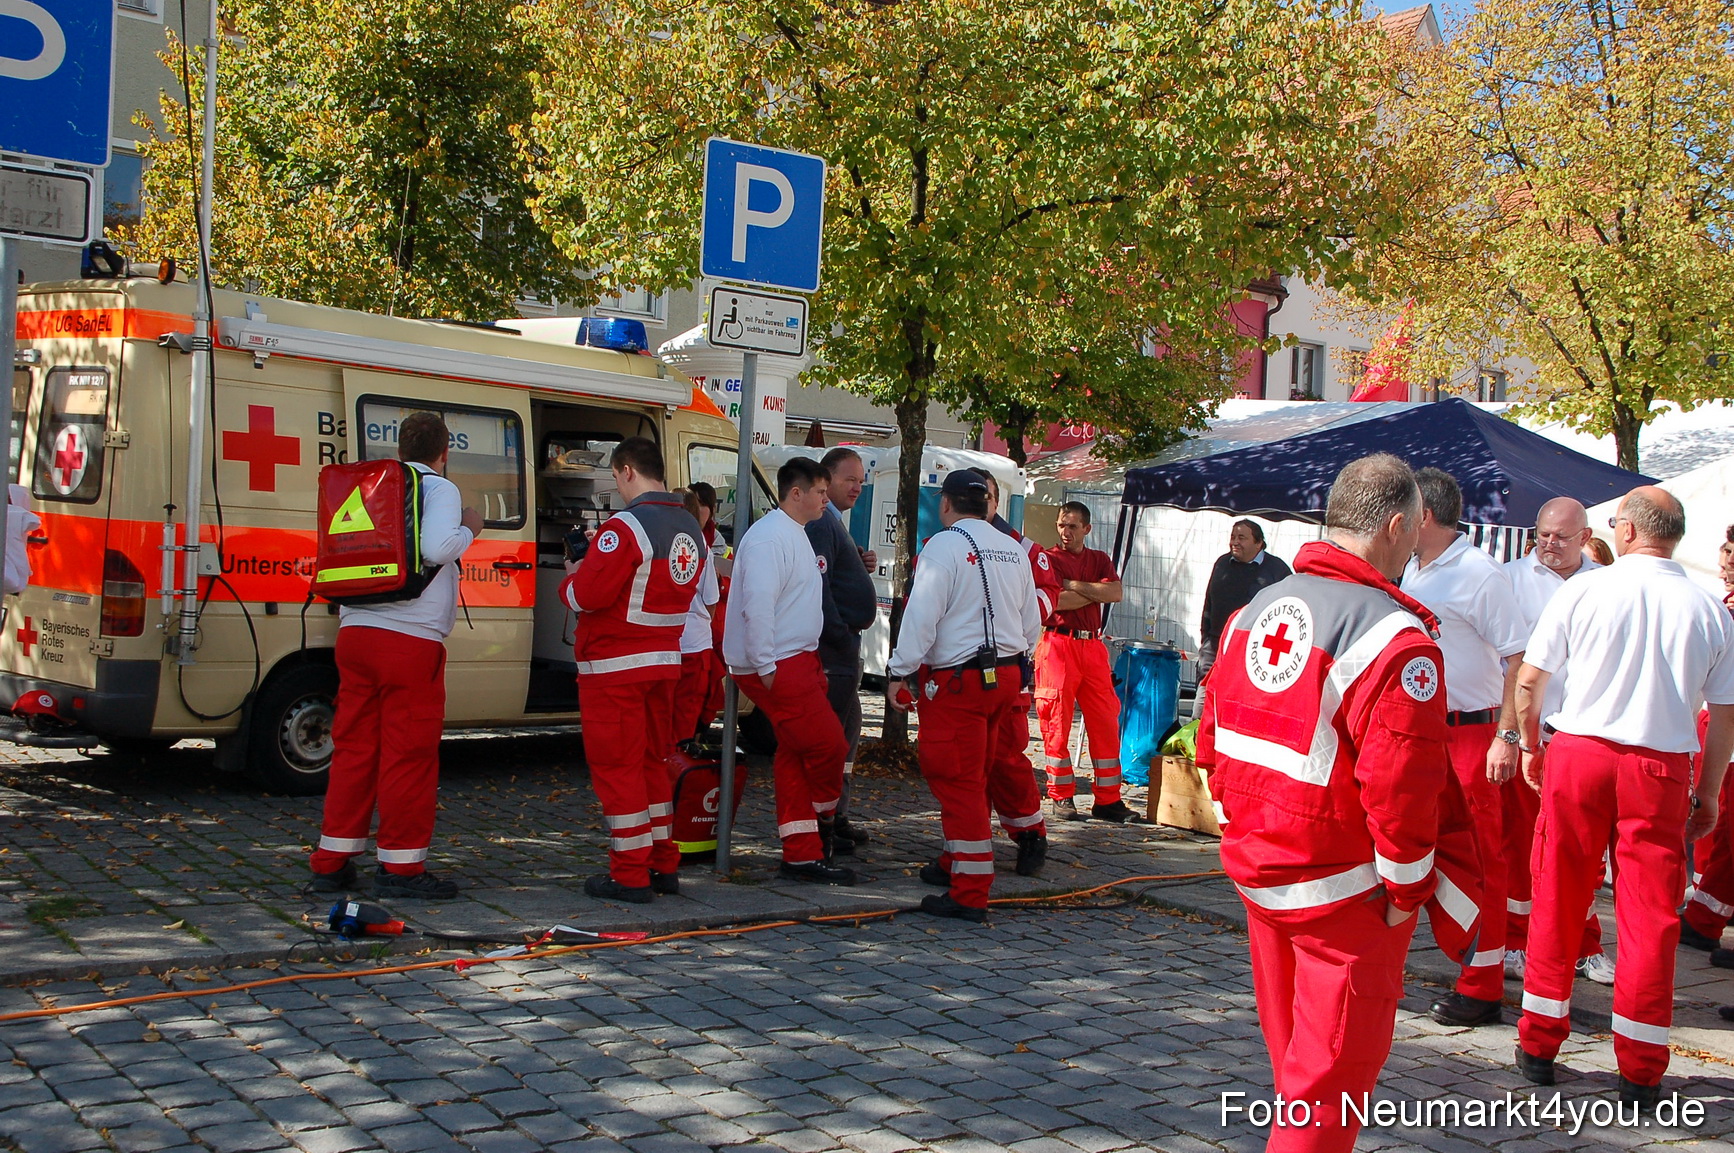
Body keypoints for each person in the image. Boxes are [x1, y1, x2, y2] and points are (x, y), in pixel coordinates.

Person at [1198, 453, 1481, 1153]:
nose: (1416, 545)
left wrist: (1239, 828)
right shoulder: (1395, 637)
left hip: (1264, 876)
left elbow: (1212, 740)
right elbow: (1403, 789)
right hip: (1347, 896)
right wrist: (1406, 891)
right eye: (1415, 532)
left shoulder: (1252, 612)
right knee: (1326, 1092)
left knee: (1297, 1068)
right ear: (1394, 526)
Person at [1513, 487, 1734, 1108]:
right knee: (1650, 914)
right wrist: (1708, 791)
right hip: (1659, 763)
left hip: (1580, 752)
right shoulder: (1708, 608)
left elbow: (1531, 680)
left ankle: (1538, 1043)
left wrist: (1530, 743)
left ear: (1630, 531)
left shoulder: (1584, 588)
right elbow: (1723, 714)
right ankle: (1639, 1067)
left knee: (1557, 892)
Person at [310, 411, 482, 899]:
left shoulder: (372, 486)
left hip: (356, 632)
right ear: (443, 452)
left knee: (354, 750)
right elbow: (438, 545)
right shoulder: (439, 489)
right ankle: (402, 868)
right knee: (409, 755)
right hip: (410, 641)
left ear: (400, 447)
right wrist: (472, 527)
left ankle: (331, 862)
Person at [1400, 469, 1530, 1026]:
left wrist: (1507, 735)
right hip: (1424, 730)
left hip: (1471, 734)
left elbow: (1519, 661)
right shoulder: (1410, 566)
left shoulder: (1481, 575)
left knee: (1482, 858)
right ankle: (1449, 953)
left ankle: (1482, 986)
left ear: (1423, 515)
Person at [887, 470, 1044, 921]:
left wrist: (898, 672)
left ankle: (970, 889)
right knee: (978, 772)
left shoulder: (944, 546)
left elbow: (921, 617)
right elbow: (1030, 621)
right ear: (986, 505)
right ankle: (955, 861)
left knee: (959, 781)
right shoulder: (1013, 548)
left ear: (946, 504)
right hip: (1005, 678)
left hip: (959, 683)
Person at [562, 437, 707, 904]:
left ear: (626, 471)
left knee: (617, 770)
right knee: (651, 765)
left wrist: (572, 571)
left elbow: (587, 595)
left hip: (614, 668)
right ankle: (663, 862)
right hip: (664, 663)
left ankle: (628, 873)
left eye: (616, 477)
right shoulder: (691, 525)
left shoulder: (626, 527)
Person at [724, 457, 854, 885]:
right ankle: (824, 822)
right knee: (828, 745)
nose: (825, 499)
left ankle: (801, 852)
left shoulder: (793, 533)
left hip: (795, 657)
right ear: (795, 493)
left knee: (796, 754)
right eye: (820, 492)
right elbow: (757, 603)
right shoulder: (770, 539)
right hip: (779, 661)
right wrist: (765, 666)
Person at [1501, 498, 1612, 985]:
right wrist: (1509, 733)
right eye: (1543, 533)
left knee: (1580, 853)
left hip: (1581, 733)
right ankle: (1517, 939)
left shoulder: (1606, 584)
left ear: (1585, 537)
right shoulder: (1509, 580)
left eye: (1561, 537)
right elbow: (1507, 665)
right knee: (1522, 846)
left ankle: (1584, 943)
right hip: (1529, 729)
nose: (1549, 543)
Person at [1035, 502, 1135, 822]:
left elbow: (1115, 593)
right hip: (1058, 643)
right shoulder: (1048, 559)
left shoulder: (1099, 559)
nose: (1066, 531)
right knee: (1057, 721)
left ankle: (1108, 800)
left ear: (1086, 529)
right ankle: (1061, 795)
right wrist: (1096, 592)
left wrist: (1074, 586)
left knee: (1105, 721)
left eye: (1073, 526)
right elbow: (1056, 601)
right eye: (1062, 525)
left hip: (1091, 646)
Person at [810, 447, 878, 852]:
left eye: (861, 480)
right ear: (827, 479)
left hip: (844, 648)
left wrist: (857, 563)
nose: (857, 486)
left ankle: (837, 812)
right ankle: (822, 822)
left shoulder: (836, 523)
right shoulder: (821, 522)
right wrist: (837, 633)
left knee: (848, 735)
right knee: (832, 738)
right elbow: (819, 587)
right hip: (832, 651)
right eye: (849, 479)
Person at [1681, 525, 1734, 956]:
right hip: (1717, 726)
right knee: (1720, 833)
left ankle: (1705, 918)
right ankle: (1704, 916)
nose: (1727, 566)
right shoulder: (1723, 606)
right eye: (1724, 559)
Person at [1197, 519, 1291, 682]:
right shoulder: (1222, 564)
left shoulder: (1277, 570)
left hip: (1252, 652)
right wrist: (1206, 639)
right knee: (1203, 700)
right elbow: (1208, 604)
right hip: (1215, 647)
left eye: (1241, 537)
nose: (1235, 542)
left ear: (1259, 543)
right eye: (1233, 537)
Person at [671, 488, 723, 749]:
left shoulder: (660, 540)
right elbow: (711, 599)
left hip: (665, 641)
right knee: (687, 711)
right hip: (694, 642)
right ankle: (679, 767)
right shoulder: (701, 546)